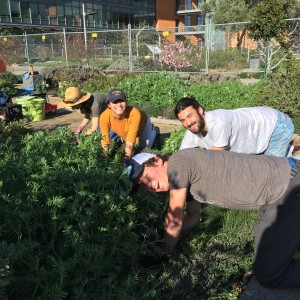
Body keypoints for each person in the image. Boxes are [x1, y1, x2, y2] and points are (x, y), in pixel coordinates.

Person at [124, 148, 300, 288]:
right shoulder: (188, 184)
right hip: (277, 196)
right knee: (269, 247)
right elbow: (193, 218)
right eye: (142, 186)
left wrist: (165, 255)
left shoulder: (178, 162)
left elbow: (175, 219)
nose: (149, 186)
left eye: (146, 177)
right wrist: (158, 238)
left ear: (157, 160)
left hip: (287, 188)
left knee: (269, 273)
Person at [175, 97, 294, 157]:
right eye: (183, 120)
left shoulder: (219, 123)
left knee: (273, 169)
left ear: (200, 110)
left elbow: (216, 158)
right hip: (259, 129)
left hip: (276, 125)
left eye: (190, 116)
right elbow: (181, 156)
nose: (188, 123)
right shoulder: (192, 130)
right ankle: (288, 150)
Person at [100, 88, 158, 159]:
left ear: (126, 102)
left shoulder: (134, 113)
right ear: (109, 105)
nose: (119, 104)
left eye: (121, 101)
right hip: (127, 129)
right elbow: (105, 140)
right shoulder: (104, 117)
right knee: (129, 140)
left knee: (144, 148)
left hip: (143, 125)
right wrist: (104, 158)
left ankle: (155, 131)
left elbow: (130, 143)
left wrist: (126, 160)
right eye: (115, 101)